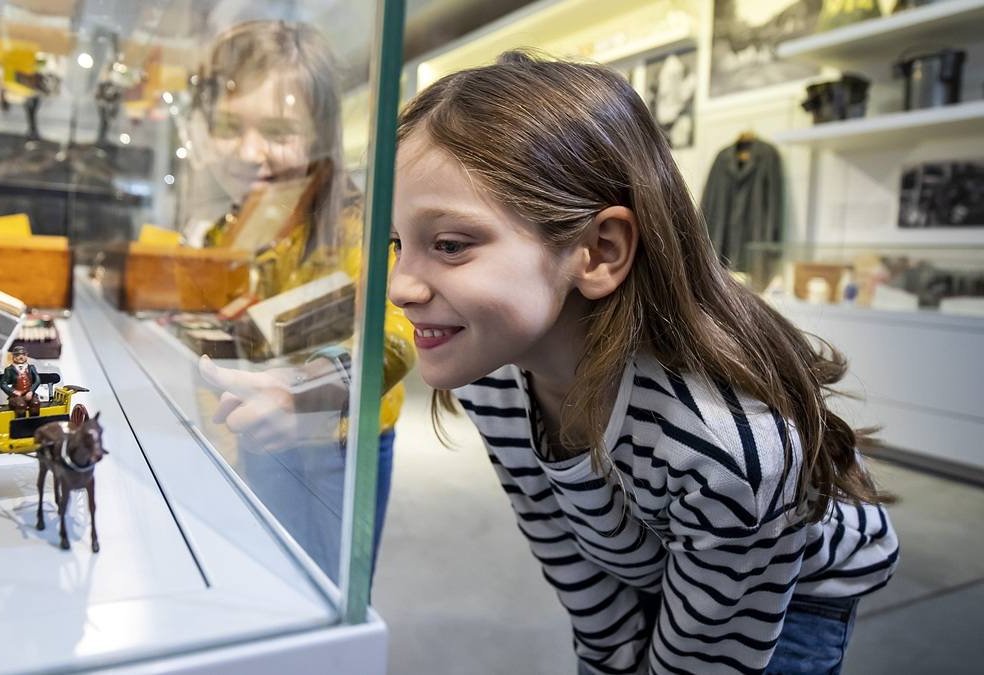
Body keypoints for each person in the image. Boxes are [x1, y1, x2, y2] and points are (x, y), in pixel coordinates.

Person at [386, 51, 898, 674]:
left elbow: (709, 657)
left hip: (787, 588)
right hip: (651, 549)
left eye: (449, 245)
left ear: (599, 251)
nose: (401, 286)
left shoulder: (729, 449)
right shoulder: (493, 370)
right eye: (398, 244)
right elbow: (561, 543)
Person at [190, 20, 415, 581]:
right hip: (253, 431)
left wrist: (307, 393)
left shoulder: (359, 226)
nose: (248, 152)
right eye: (227, 126)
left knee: (326, 584)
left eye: (277, 129)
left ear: (320, 135)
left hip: (337, 442)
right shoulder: (231, 227)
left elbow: (395, 331)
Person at [0, 345, 41, 418]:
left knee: (35, 403)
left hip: (30, 393)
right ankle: (21, 426)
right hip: (16, 396)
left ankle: (34, 424)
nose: (21, 357)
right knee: (21, 405)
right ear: (13, 356)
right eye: (18, 355)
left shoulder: (31, 367)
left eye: (23, 355)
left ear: (26, 356)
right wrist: (13, 391)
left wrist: (31, 391)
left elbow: (37, 380)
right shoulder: (9, 369)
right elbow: (3, 384)